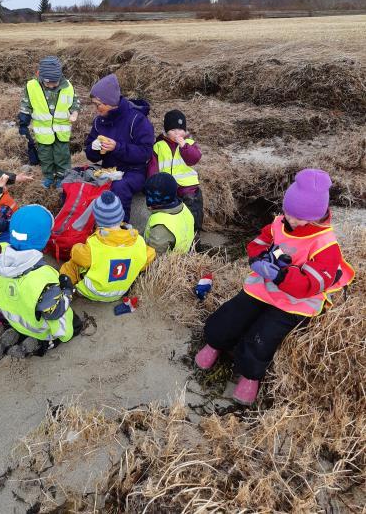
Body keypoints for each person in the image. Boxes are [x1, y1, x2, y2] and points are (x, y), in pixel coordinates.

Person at [195, 169, 355, 406]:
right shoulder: (279, 223)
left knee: (264, 335)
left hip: (294, 301)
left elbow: (311, 284)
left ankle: (250, 376)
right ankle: (214, 342)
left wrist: (280, 275)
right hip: (264, 287)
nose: (291, 220)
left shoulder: (325, 244)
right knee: (233, 313)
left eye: (298, 218)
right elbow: (259, 243)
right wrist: (259, 258)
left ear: (315, 217)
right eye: (288, 213)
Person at [0, 205, 82, 361]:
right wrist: (67, 290)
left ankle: (13, 334)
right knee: (74, 323)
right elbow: (55, 312)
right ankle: (38, 344)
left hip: (14, 318)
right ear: (44, 240)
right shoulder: (43, 277)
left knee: (23, 307)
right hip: (37, 326)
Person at [60, 191, 155, 302]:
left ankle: (64, 286)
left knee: (72, 265)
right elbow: (150, 255)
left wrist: (77, 246)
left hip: (92, 292)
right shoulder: (139, 242)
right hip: (120, 292)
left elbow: (77, 256)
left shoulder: (95, 245)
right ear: (121, 216)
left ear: (97, 220)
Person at [85, 73, 154, 222]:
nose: (96, 109)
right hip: (109, 170)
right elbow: (90, 155)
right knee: (81, 178)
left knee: (119, 187)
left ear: (109, 102)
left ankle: (120, 227)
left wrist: (117, 147)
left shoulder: (137, 119)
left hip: (134, 172)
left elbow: (146, 152)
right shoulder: (99, 122)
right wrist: (94, 148)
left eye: (98, 104)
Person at [18, 56, 80, 188]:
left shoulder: (67, 86)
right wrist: (23, 120)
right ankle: (49, 176)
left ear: (60, 77)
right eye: (48, 83)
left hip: (61, 131)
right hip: (43, 132)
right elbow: (26, 104)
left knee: (62, 156)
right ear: (40, 76)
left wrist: (74, 113)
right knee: (45, 156)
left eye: (54, 82)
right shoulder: (31, 86)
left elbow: (74, 102)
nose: (51, 85)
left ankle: (62, 178)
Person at [147, 109, 203, 231]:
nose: (177, 133)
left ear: (185, 130)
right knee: (171, 214)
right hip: (168, 188)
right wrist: (152, 185)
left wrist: (184, 146)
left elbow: (194, 158)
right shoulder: (159, 146)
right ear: (166, 132)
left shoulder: (189, 143)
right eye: (173, 130)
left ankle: (194, 235)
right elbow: (153, 168)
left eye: (180, 129)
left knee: (192, 210)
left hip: (188, 187)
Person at [144, 173, 195, 254]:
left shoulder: (161, 226)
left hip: (169, 263)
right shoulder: (183, 207)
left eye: (148, 195)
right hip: (184, 255)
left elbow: (154, 256)